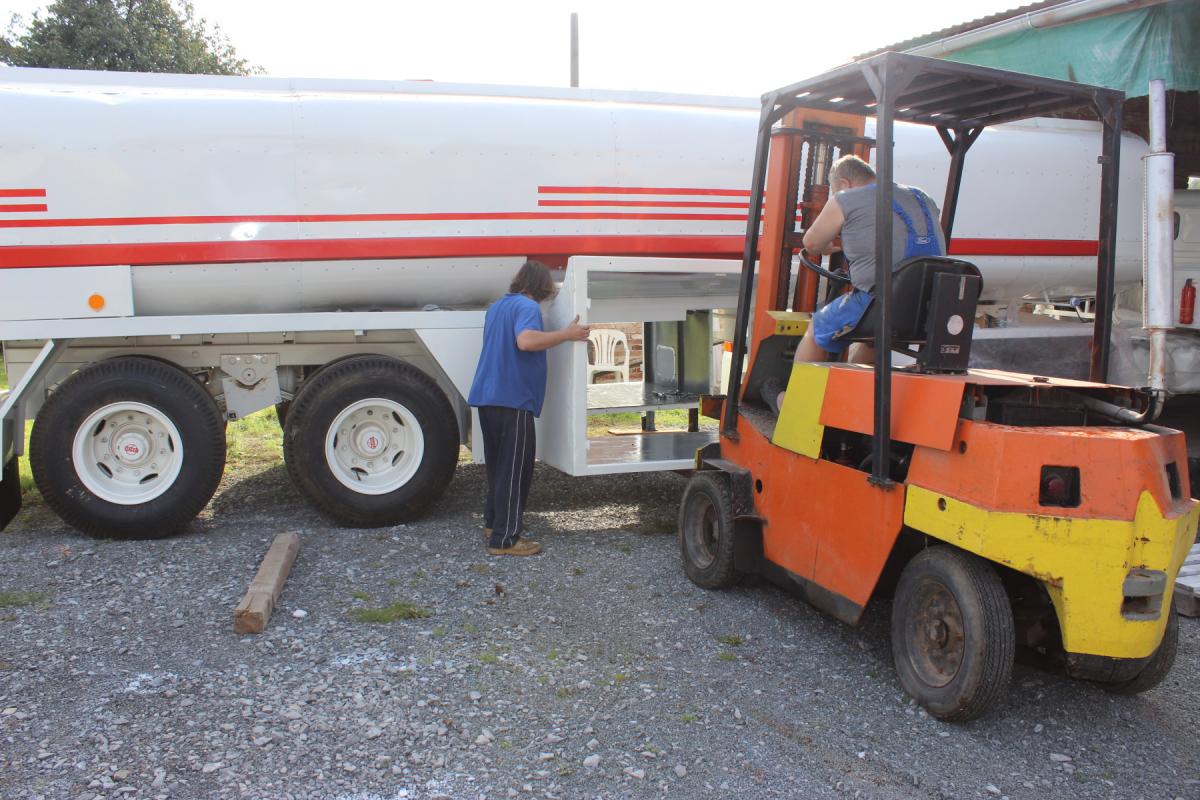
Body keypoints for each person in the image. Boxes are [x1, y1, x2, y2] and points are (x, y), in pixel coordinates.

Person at [763, 155, 945, 413]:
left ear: (844, 184)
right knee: (873, 339)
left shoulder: (846, 198)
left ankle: (795, 406)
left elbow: (811, 243)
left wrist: (827, 245)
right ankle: (850, 401)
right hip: (932, 305)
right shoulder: (922, 196)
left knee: (818, 327)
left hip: (881, 300)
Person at [467, 260, 589, 556]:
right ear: (541, 285)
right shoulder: (527, 307)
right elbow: (525, 341)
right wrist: (567, 335)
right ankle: (505, 540)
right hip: (513, 399)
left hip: (487, 397)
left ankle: (494, 523)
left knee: (499, 467)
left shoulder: (497, 307)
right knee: (515, 470)